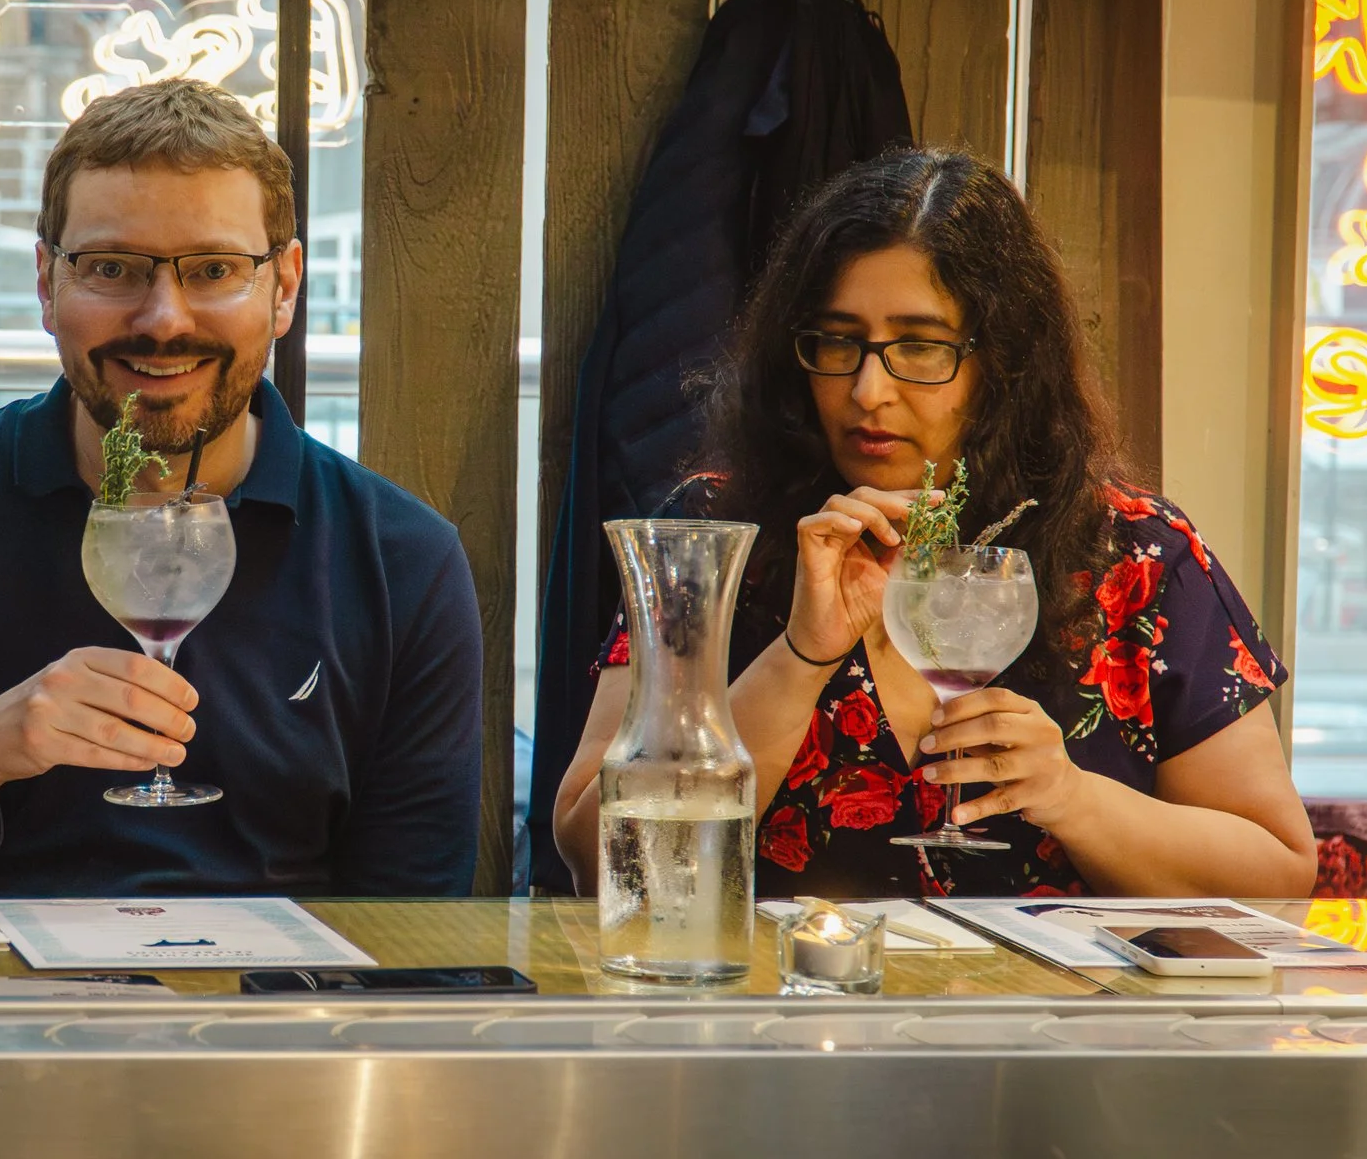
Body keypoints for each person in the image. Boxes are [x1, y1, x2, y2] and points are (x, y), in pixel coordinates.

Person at [0, 78, 482, 897]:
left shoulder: (400, 562)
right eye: (111, 268)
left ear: (284, 288)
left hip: (281, 984)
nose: (164, 318)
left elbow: (416, 931)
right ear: (46, 283)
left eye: (214, 269)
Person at [553, 147, 1315, 899]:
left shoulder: (1135, 553)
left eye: (919, 346)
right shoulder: (716, 533)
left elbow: (1277, 872)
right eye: (837, 340)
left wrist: (1072, 796)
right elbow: (598, 862)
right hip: (782, 984)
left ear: (1005, 360)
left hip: (1053, 989)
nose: (868, 390)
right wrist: (799, 658)